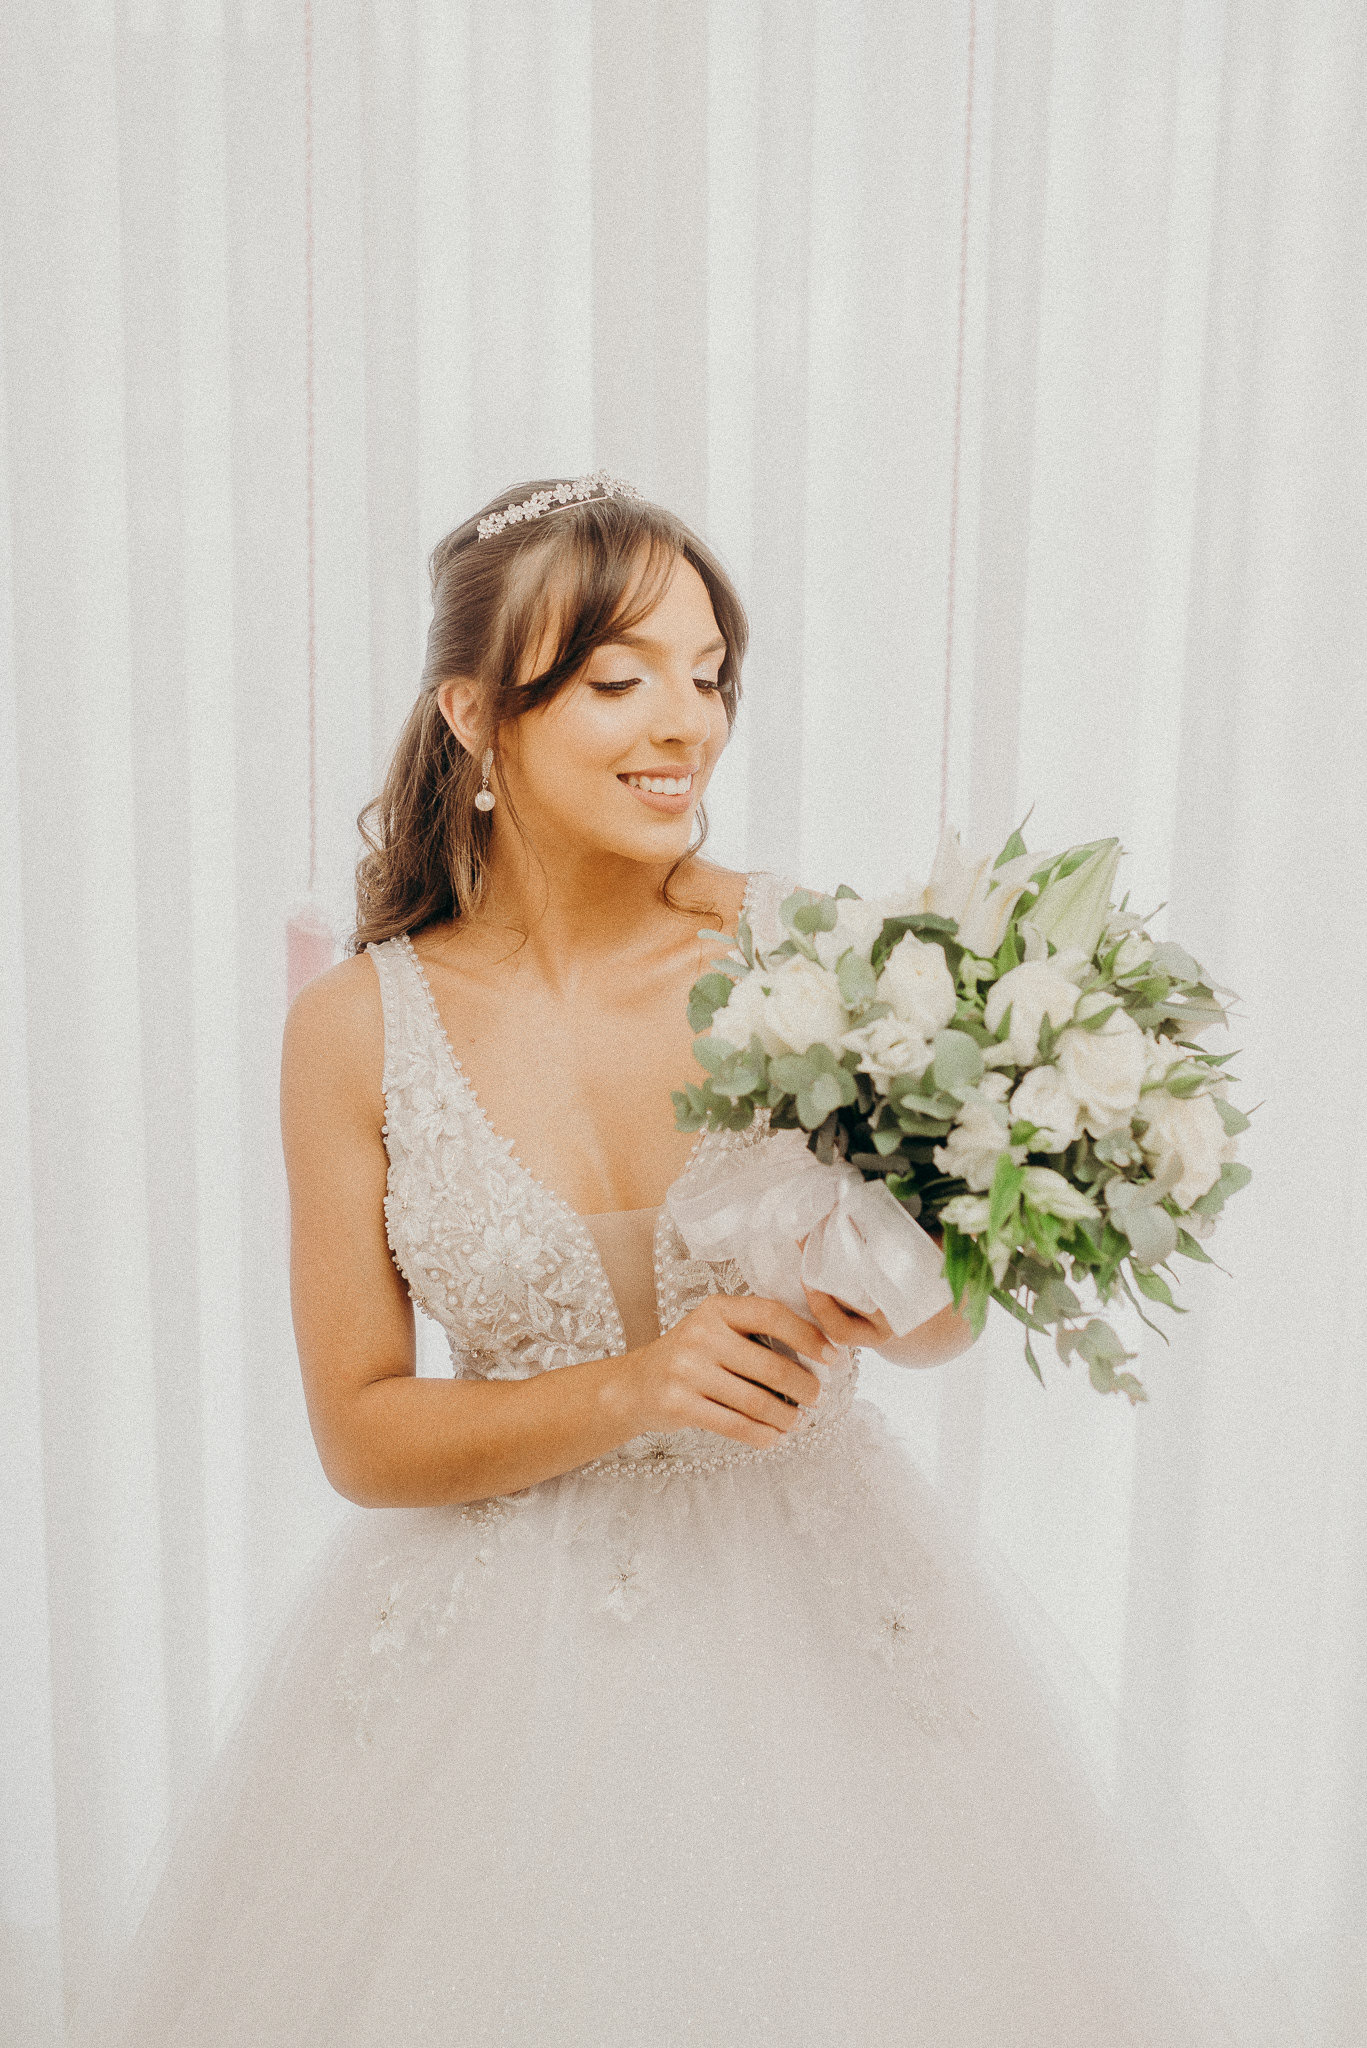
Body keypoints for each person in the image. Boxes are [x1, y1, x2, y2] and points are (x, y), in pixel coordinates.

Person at [75, 473, 1298, 2046]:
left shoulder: (806, 950)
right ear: (473, 712)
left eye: (709, 675)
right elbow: (363, 1433)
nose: (688, 724)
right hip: (492, 1663)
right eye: (620, 679)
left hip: (818, 1624)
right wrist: (638, 1386)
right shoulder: (354, 1028)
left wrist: (900, 1293)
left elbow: (932, 1319)